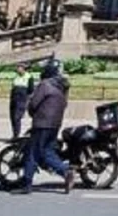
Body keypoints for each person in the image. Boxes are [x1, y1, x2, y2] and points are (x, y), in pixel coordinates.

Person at [12, 60, 74, 194]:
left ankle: (26, 184)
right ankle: (65, 172)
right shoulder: (62, 87)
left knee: (32, 153)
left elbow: (34, 104)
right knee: (47, 152)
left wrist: (32, 112)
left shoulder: (45, 85)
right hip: (55, 124)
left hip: (42, 123)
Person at [8, 64, 32, 140]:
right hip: (14, 99)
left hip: (22, 99)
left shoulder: (29, 77)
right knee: (12, 117)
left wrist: (27, 99)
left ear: (24, 69)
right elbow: (13, 86)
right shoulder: (16, 77)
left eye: (19, 68)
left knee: (17, 117)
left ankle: (16, 136)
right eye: (17, 68)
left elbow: (31, 90)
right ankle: (14, 134)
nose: (18, 69)